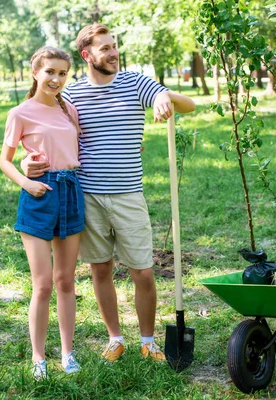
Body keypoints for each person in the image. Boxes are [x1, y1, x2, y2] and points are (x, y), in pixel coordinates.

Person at [22, 23, 195, 363]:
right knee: (100, 270)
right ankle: (115, 338)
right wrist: (28, 161)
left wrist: (162, 96)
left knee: (143, 271)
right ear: (87, 55)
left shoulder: (136, 83)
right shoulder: (69, 96)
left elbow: (185, 104)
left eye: (114, 46)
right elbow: (41, 129)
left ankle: (148, 340)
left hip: (129, 194)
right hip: (86, 196)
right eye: (105, 48)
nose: (113, 53)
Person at [0, 46, 84, 379]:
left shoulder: (69, 111)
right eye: (50, 71)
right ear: (35, 71)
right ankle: (38, 357)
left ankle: (68, 353)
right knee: (43, 284)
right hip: (38, 196)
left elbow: (79, 149)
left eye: (63, 73)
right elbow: (4, 160)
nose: (56, 78)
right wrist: (26, 179)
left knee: (66, 281)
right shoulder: (20, 113)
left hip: (71, 193)